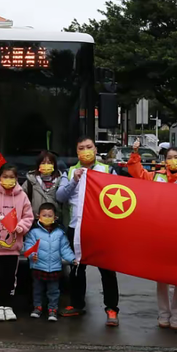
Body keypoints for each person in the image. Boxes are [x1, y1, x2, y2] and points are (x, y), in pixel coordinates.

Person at [56, 136, 120, 327]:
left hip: (102, 230)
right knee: (76, 269)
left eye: (89, 147)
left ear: (95, 149)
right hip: (77, 228)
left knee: (107, 270)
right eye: (81, 148)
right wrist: (74, 181)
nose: (86, 150)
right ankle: (76, 304)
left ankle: (111, 309)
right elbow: (60, 197)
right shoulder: (69, 172)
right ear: (77, 153)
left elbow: (120, 194)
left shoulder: (108, 170)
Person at [128, 141, 177, 329]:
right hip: (160, 235)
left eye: (176, 157)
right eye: (169, 158)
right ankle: (163, 314)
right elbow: (137, 173)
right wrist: (135, 152)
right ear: (164, 161)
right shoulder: (156, 177)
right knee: (162, 278)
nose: (172, 161)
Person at [0, 163, 34, 321]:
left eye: (12, 177)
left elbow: (28, 216)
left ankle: (8, 306)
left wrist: (21, 227)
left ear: (17, 178)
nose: (8, 180)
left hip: (13, 247)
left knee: (11, 277)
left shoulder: (22, 196)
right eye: (5, 177)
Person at [24, 203, 77, 322]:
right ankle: (37, 307)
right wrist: (32, 255)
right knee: (37, 290)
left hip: (54, 268)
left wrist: (72, 259)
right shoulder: (33, 233)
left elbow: (65, 248)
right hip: (38, 267)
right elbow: (28, 246)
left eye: (49, 215)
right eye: (44, 215)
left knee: (54, 291)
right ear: (38, 216)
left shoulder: (59, 233)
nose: (47, 217)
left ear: (55, 218)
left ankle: (52, 309)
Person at [22, 150, 62, 217]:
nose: (46, 165)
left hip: (55, 221)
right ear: (38, 165)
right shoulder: (31, 181)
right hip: (35, 220)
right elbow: (19, 198)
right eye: (43, 163)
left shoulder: (61, 181)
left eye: (49, 163)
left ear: (54, 165)